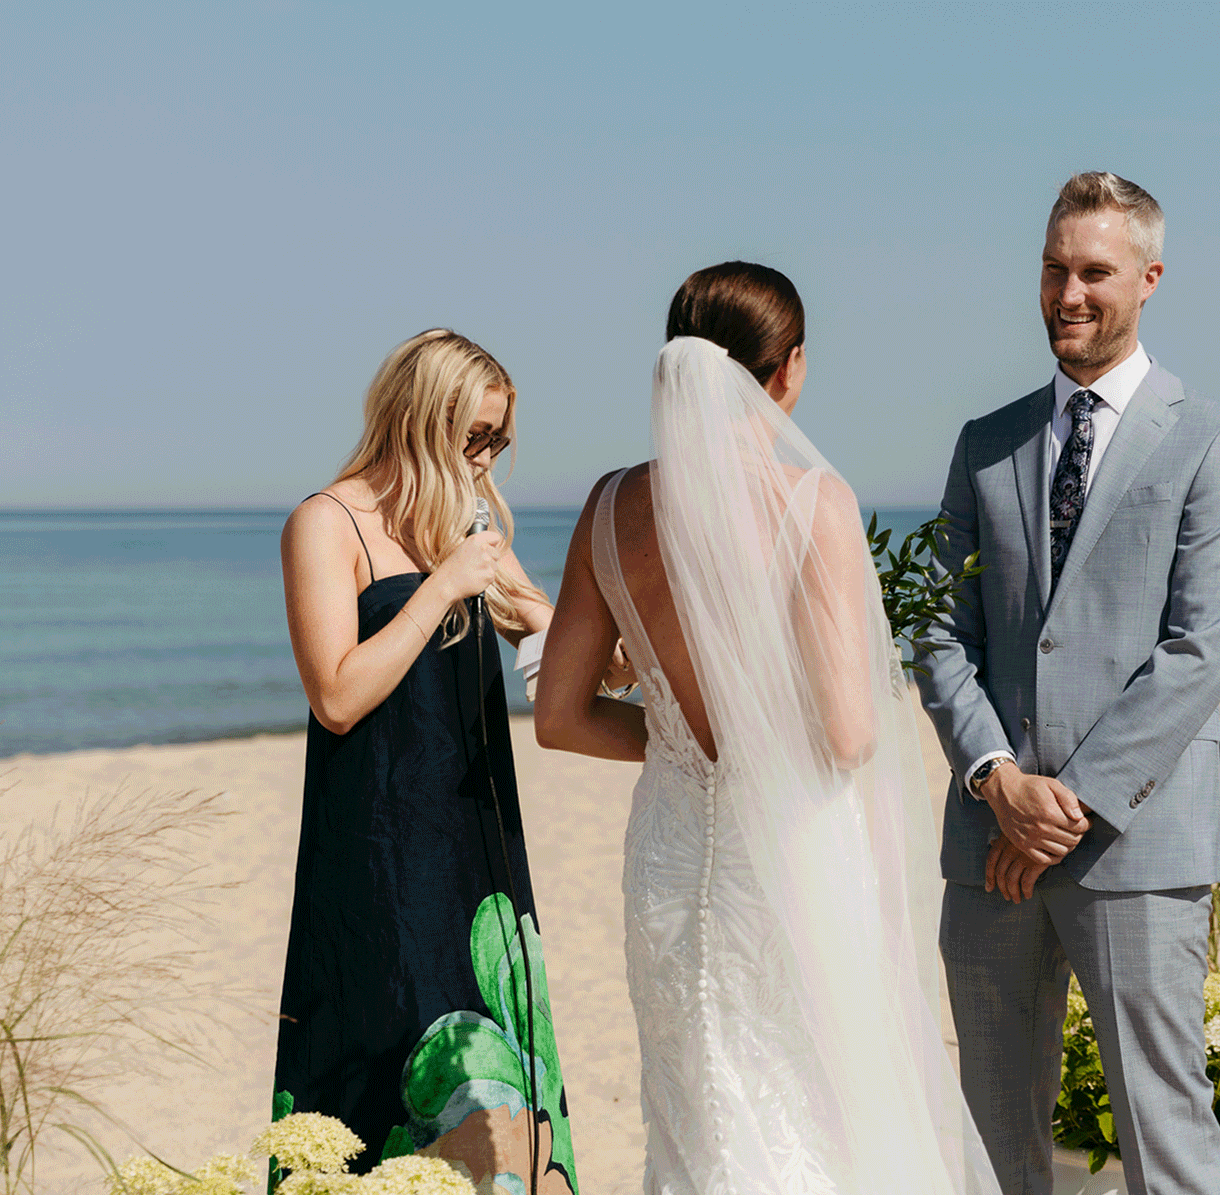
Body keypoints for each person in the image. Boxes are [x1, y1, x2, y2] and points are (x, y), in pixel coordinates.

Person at [534, 262, 1000, 1195]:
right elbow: (847, 732)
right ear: (786, 371)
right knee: (814, 1106)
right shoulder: (810, 504)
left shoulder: (610, 505)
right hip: (786, 850)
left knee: (696, 1103)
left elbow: (557, 717)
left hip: (668, 852)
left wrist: (672, 741)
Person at [916, 172, 1220, 1195]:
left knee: (1166, 1134)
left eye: (1094, 272)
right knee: (992, 1142)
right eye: (1052, 268)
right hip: (991, 840)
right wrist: (997, 780)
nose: (1068, 293)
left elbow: (1200, 647)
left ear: (1149, 279)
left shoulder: (1216, 438)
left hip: (1135, 840)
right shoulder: (986, 443)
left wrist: (1063, 809)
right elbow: (940, 630)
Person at [275, 328, 579, 1194]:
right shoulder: (325, 524)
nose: (484, 457)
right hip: (375, 846)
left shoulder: (467, 518)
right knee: (377, 1067)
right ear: (418, 417)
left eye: (497, 440)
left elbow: (546, 632)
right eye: (471, 435)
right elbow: (335, 694)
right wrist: (443, 585)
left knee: (501, 1082)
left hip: (476, 840)